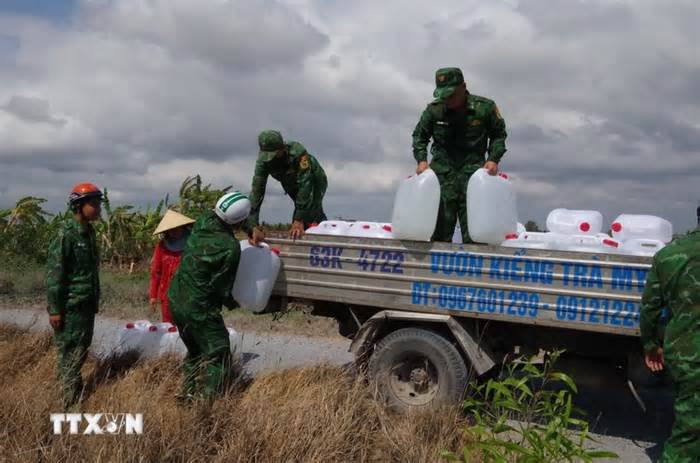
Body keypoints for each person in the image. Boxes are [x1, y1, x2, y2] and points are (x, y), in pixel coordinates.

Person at [167, 191, 252, 402]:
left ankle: (187, 394)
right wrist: (238, 302)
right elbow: (222, 288)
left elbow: (227, 217)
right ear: (240, 221)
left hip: (176, 300)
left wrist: (249, 228)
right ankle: (206, 404)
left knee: (195, 350)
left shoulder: (204, 221)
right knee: (219, 354)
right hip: (200, 307)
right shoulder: (231, 248)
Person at [412, 67, 508, 243]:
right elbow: (419, 135)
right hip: (442, 179)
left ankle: (474, 270)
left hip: (474, 180)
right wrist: (421, 160)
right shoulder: (434, 110)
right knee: (439, 235)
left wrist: (493, 158)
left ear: (463, 87)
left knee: (476, 235)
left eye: (451, 94)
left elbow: (498, 135)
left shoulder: (484, 108)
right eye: (443, 95)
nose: (447, 100)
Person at [640, 224, 700, 462]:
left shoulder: (669, 254)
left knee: (689, 427)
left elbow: (650, 308)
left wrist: (651, 346)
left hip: (687, 353)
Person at [46, 182, 103, 408]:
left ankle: (74, 392)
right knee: (70, 353)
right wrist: (55, 309)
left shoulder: (89, 232)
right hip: (70, 306)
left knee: (80, 350)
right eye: (94, 204)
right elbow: (54, 275)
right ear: (78, 206)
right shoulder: (65, 235)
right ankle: (68, 403)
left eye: (99, 204)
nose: (98, 209)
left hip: (86, 304)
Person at [247, 130, 327, 240]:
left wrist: (298, 220)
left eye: (273, 154)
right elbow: (257, 191)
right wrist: (253, 226)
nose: (270, 158)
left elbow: (305, 185)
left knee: (312, 210)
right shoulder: (263, 162)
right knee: (305, 214)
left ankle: (326, 234)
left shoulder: (298, 153)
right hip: (289, 182)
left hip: (313, 179)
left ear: (282, 148)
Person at [149, 210, 195, 323]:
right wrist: (153, 295)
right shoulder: (162, 246)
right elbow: (156, 272)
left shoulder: (193, 244)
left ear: (183, 227)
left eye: (176, 228)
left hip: (188, 294)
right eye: (170, 229)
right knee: (169, 328)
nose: (173, 232)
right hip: (167, 296)